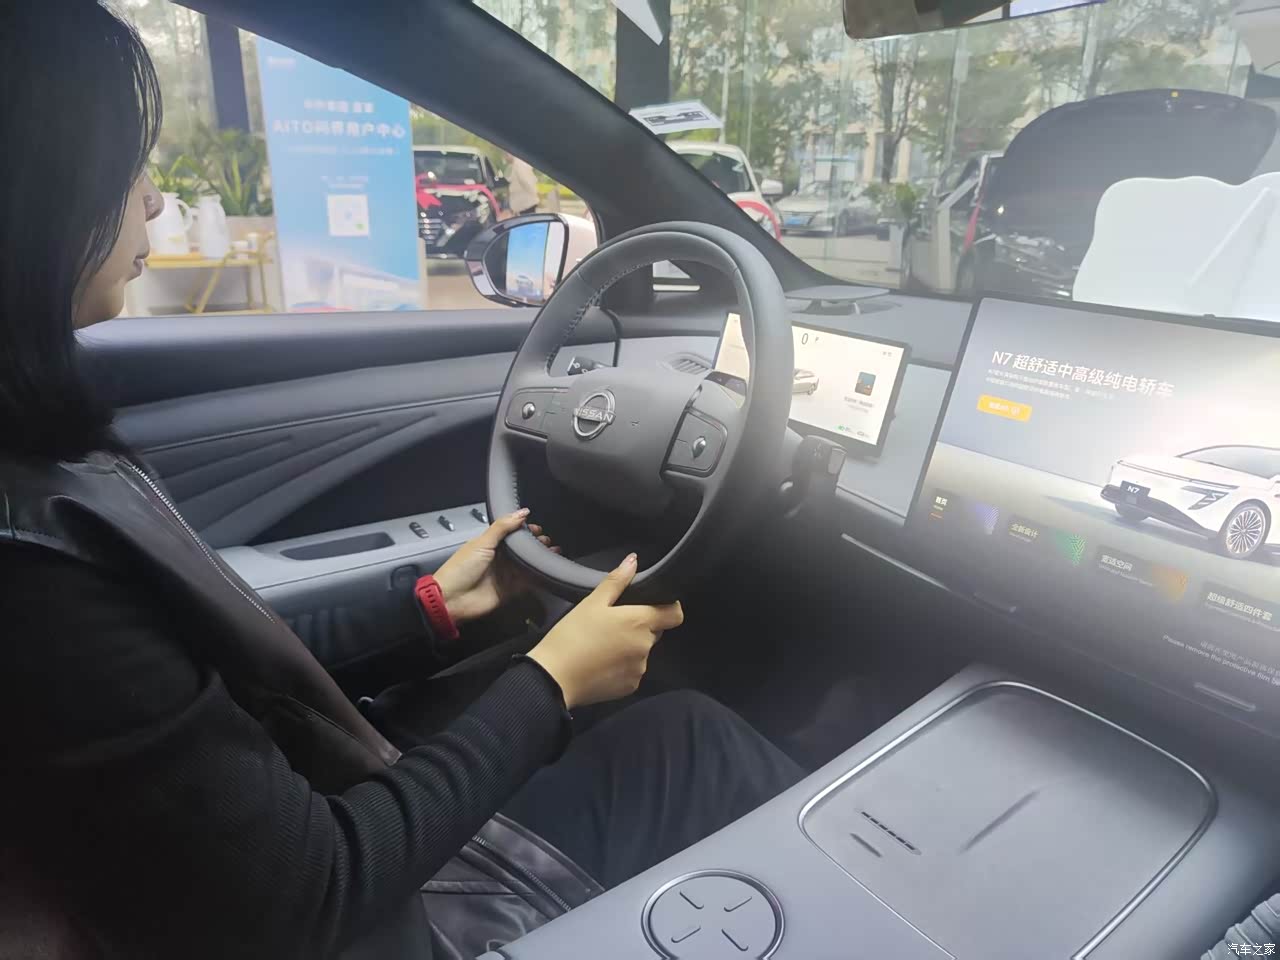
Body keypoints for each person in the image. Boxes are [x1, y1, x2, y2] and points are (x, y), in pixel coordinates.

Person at [0, 6, 803, 959]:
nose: (153, 200)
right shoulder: (33, 586)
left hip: (264, 842)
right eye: (123, 164)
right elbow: (315, 893)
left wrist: (425, 610)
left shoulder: (35, 481)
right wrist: (551, 685)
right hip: (371, 924)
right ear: (32, 185)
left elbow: (202, 676)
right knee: (701, 746)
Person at [507, 151, 541, 216]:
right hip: (525, 205)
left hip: (526, 205)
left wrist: (534, 193)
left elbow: (526, 181)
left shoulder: (519, 163)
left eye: (506, 154)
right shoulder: (517, 163)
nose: (505, 157)